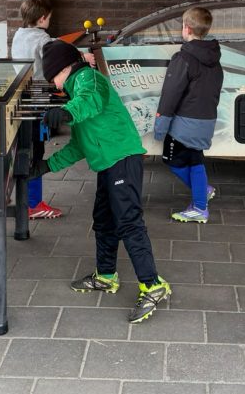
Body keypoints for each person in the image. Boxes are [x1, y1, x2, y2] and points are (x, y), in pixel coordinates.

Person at [33, 40, 171, 324]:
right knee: (104, 220)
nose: (53, 84)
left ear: (63, 69)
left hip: (122, 158)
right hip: (108, 163)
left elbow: (89, 100)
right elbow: (79, 144)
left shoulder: (89, 79)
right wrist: (47, 166)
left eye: (52, 77)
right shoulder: (75, 91)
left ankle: (153, 285)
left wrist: (68, 112)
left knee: (128, 221)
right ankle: (106, 276)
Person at [153, 6, 223, 223]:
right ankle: (202, 195)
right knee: (195, 159)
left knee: (172, 160)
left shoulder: (183, 58)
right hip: (206, 120)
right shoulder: (215, 59)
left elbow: (170, 94)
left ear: (187, 28)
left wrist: (160, 126)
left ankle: (200, 203)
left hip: (184, 124)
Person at [10, 0, 63, 219]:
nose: (49, 20)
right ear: (42, 19)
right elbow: (55, 63)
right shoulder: (43, 40)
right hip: (38, 100)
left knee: (23, 148)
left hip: (20, 98)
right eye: (49, 17)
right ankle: (33, 204)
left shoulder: (19, 35)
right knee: (35, 151)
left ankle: (22, 197)